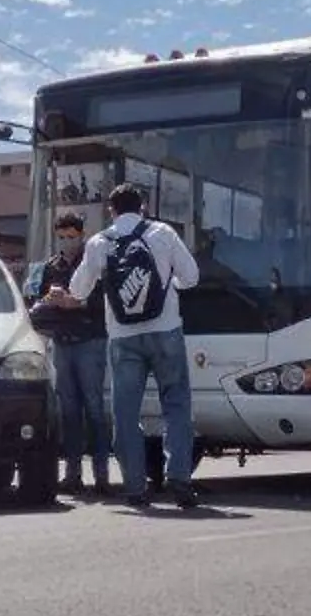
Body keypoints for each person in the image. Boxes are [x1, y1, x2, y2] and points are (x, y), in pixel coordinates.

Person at [47, 183, 201, 509]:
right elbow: (192, 277)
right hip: (166, 331)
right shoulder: (163, 232)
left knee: (126, 412)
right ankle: (179, 479)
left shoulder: (100, 242)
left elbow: (78, 290)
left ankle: (134, 486)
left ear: (111, 211)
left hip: (122, 337)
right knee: (176, 405)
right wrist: (169, 285)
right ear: (142, 206)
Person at [34, 212, 112, 495]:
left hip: (90, 341)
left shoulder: (93, 263)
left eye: (71, 237)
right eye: (62, 237)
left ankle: (102, 475)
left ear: (82, 235)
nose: (66, 243)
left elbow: (103, 303)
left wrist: (74, 303)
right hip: (63, 343)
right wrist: (49, 300)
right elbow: (40, 302)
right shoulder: (51, 267)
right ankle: (72, 473)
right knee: (68, 411)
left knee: (94, 408)